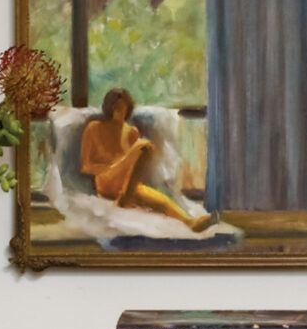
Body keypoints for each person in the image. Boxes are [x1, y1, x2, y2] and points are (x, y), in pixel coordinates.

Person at [76, 89, 213, 231]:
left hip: (127, 186)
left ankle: (190, 222)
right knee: (144, 147)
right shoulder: (94, 128)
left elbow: (135, 167)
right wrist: (113, 168)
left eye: (123, 108)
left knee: (161, 201)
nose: (120, 112)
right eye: (116, 108)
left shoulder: (131, 132)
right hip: (105, 181)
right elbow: (86, 166)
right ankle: (124, 200)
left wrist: (125, 172)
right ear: (109, 108)